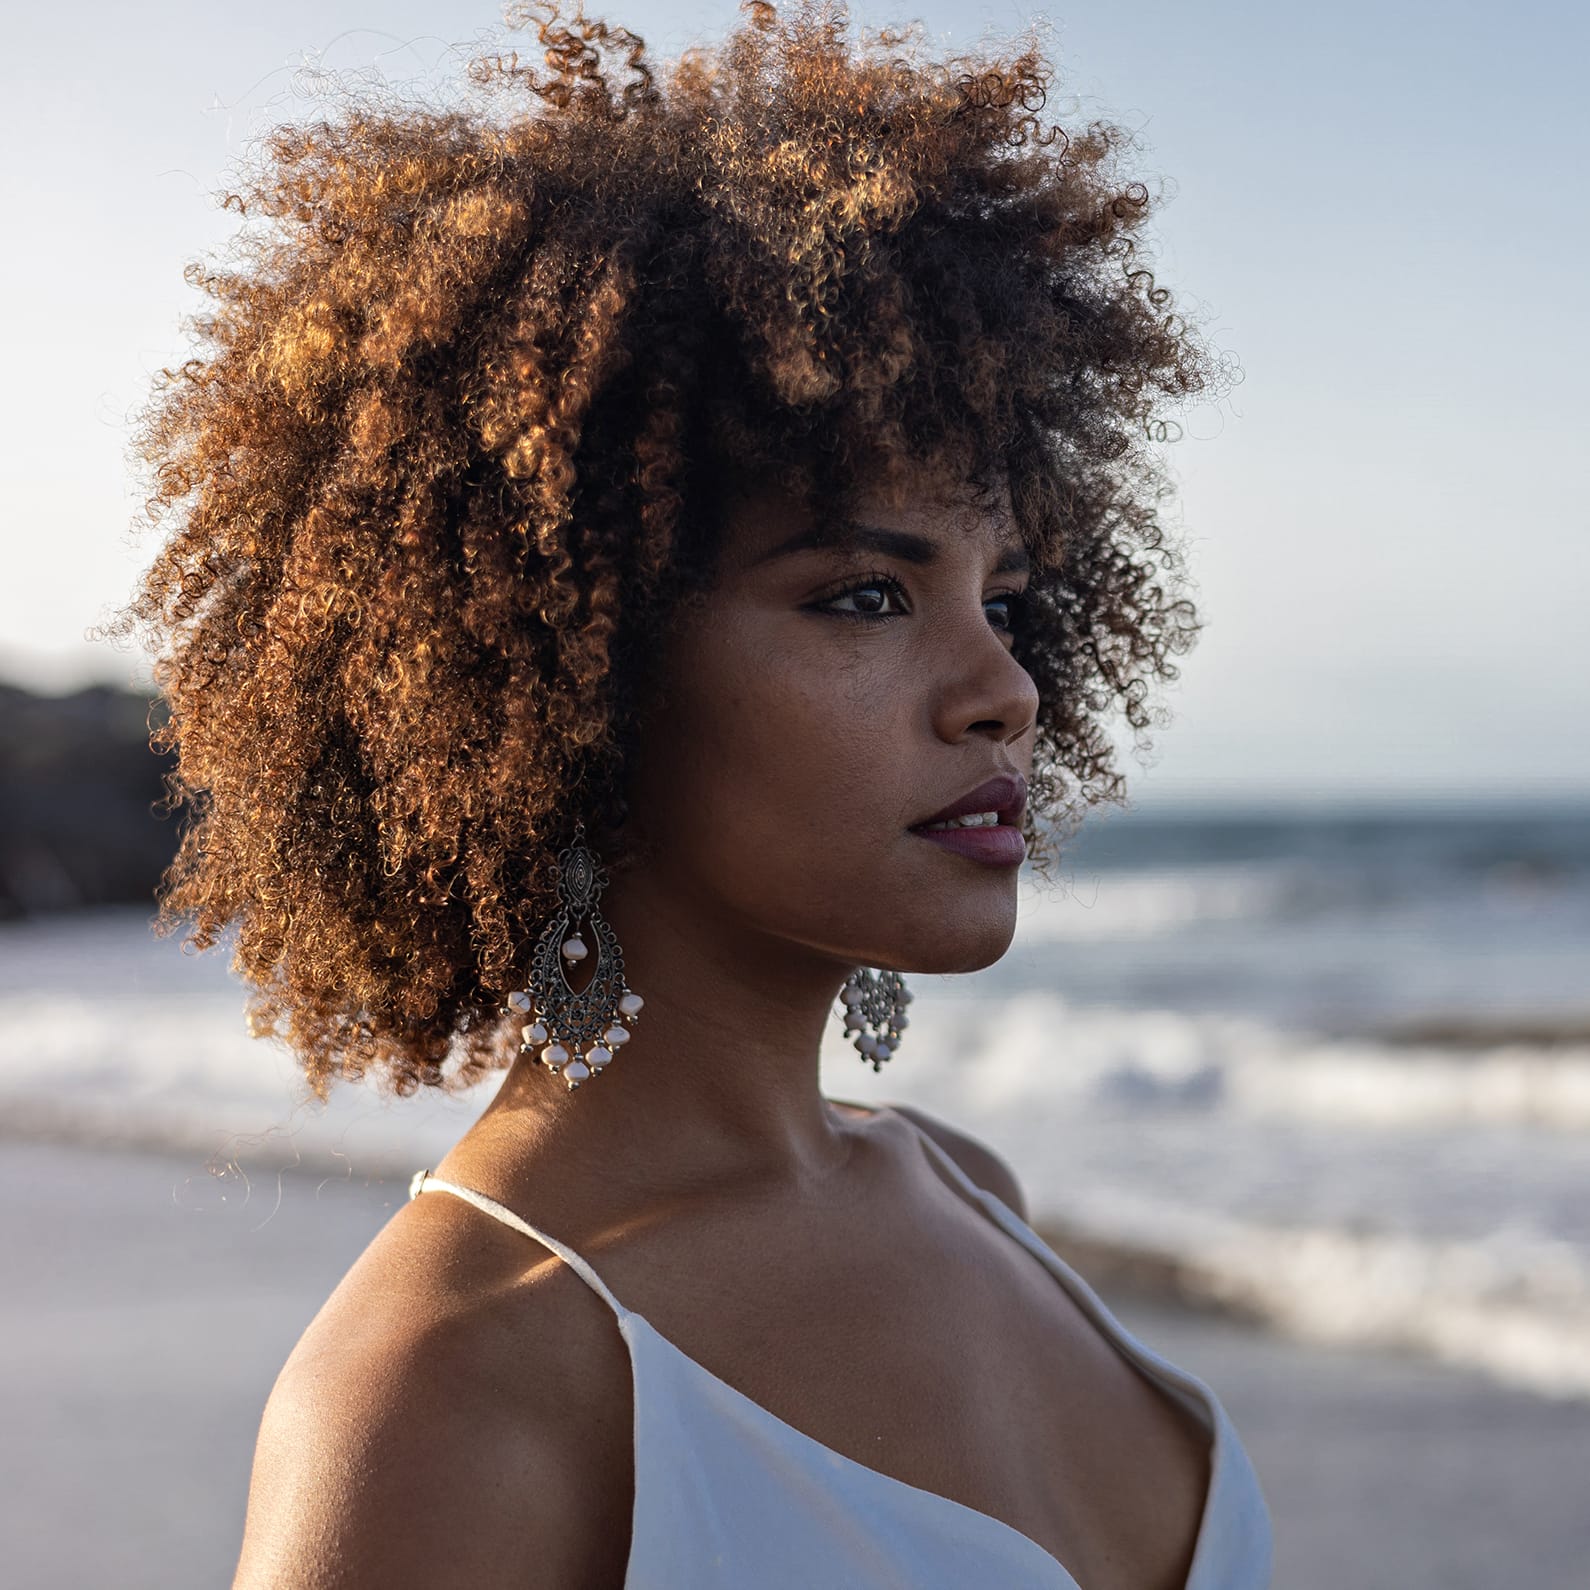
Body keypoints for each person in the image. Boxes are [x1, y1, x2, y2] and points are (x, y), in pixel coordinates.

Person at [122, 2, 1268, 1583]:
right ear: (565, 673)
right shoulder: (459, 1387)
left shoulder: (967, 1189)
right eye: (865, 595)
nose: (1004, 686)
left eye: (1002, 595)